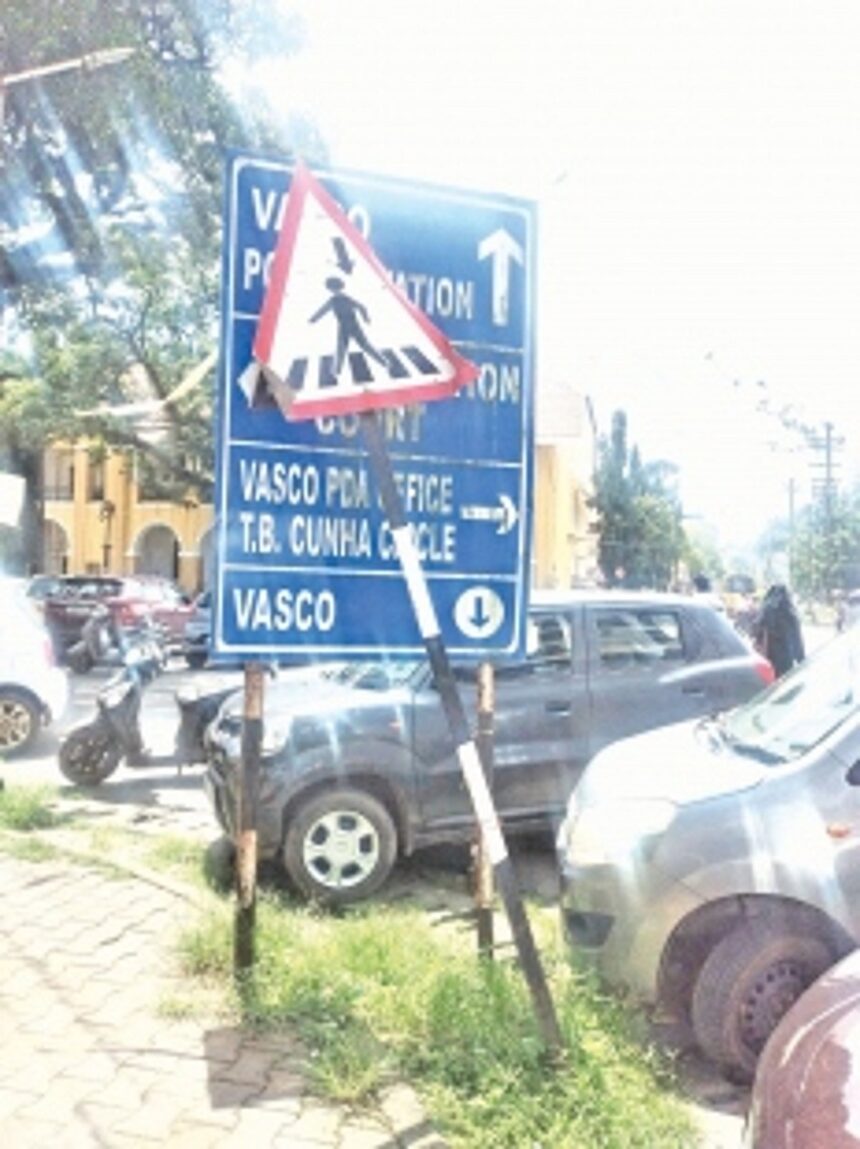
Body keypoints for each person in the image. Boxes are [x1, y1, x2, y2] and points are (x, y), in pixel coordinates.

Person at [752, 584, 805, 678]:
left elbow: (756, 639)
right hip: (786, 664)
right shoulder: (790, 614)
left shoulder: (764, 614)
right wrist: (802, 661)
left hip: (768, 663)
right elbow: (798, 643)